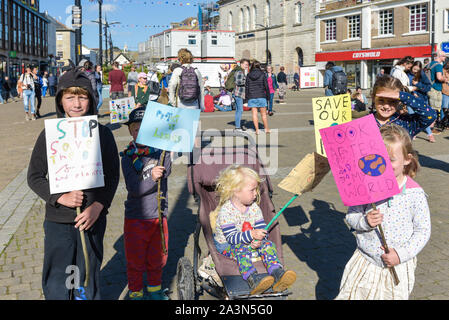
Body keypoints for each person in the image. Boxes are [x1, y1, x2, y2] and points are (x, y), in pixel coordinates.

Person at [27, 69, 120, 300]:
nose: (77, 104)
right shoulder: (49, 135)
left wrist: (98, 206)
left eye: (83, 97)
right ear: (60, 100)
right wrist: (59, 197)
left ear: (91, 99)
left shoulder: (104, 134)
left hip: (92, 218)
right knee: (58, 276)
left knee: (88, 275)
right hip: (58, 220)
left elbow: (112, 175)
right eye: (70, 97)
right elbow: (35, 176)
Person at [336, 124, 431, 300]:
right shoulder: (364, 187)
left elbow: (423, 231)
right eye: (380, 158)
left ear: (407, 159)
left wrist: (400, 255)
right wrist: (364, 222)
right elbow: (351, 216)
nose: (384, 165)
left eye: (392, 159)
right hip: (365, 262)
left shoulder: (414, 193)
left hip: (397, 265)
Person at [210, 165, 297, 295]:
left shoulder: (254, 208)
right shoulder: (226, 211)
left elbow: (261, 228)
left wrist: (259, 239)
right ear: (236, 190)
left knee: (268, 244)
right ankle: (252, 278)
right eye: (252, 190)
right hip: (228, 245)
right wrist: (251, 235)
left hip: (249, 239)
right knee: (241, 249)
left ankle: (277, 272)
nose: (256, 193)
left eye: (256, 189)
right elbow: (232, 238)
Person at [121, 106, 172, 300]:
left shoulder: (160, 153)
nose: (140, 133)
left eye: (145, 129)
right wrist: (152, 177)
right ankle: (135, 291)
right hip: (136, 217)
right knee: (135, 260)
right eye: (136, 129)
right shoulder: (127, 158)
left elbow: (167, 169)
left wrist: (166, 148)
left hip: (158, 215)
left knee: (157, 258)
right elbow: (135, 189)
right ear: (131, 132)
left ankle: (155, 290)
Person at [372, 75, 436, 138]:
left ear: (399, 101)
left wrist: (403, 96)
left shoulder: (405, 122)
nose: (386, 106)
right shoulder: (364, 121)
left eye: (392, 101)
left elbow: (431, 115)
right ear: (373, 98)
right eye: (381, 100)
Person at [407, 61, 434, 142]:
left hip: (421, 99)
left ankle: (430, 134)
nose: (415, 71)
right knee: (412, 116)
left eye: (417, 70)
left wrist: (417, 85)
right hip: (410, 98)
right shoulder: (407, 74)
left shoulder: (422, 74)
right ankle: (413, 133)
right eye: (414, 69)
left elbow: (428, 87)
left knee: (423, 116)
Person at [246, 60, 271, 135]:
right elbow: (266, 86)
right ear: (259, 66)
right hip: (261, 95)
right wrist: (268, 96)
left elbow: (247, 87)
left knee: (254, 114)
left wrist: (246, 99)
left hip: (252, 96)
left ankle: (257, 130)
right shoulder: (262, 74)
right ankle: (266, 129)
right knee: (263, 114)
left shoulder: (248, 75)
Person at [427, 51, 447, 127]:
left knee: (430, 108)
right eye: (444, 56)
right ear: (440, 56)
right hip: (435, 89)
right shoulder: (438, 65)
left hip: (428, 88)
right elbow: (439, 77)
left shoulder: (429, 64)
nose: (445, 58)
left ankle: (429, 127)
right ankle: (431, 127)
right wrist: (444, 79)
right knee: (435, 109)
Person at [232, 58, 250, 132]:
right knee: (240, 110)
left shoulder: (239, 71)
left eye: (247, 65)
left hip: (237, 93)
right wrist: (246, 81)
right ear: (241, 64)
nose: (246, 66)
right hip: (238, 93)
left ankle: (237, 126)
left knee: (238, 110)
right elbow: (239, 82)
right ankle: (237, 127)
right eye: (245, 64)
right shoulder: (240, 72)